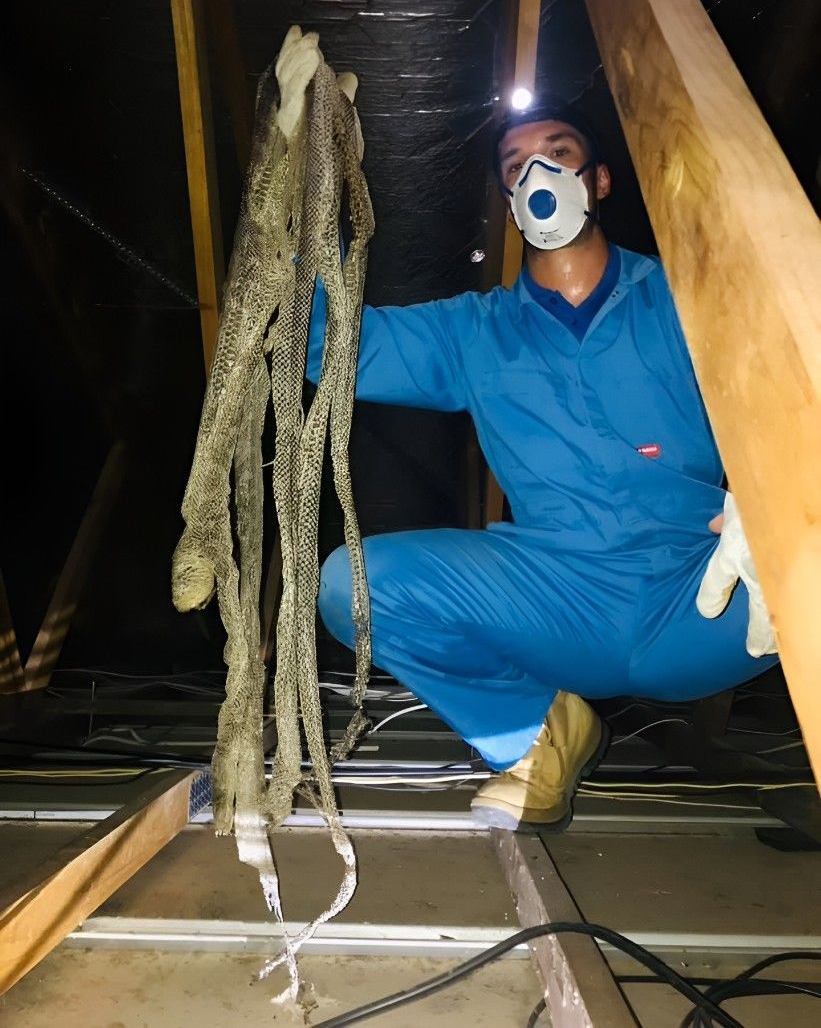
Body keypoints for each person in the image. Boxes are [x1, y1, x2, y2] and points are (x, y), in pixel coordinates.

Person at [307, 98, 778, 832]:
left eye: (557, 153)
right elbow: (329, 350)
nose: (537, 174)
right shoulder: (473, 332)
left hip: (706, 597)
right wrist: (302, 202)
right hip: (556, 601)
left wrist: (784, 500)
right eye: (515, 166)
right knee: (353, 584)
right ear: (507, 199)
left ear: (599, 182)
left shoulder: (692, 300)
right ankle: (536, 735)